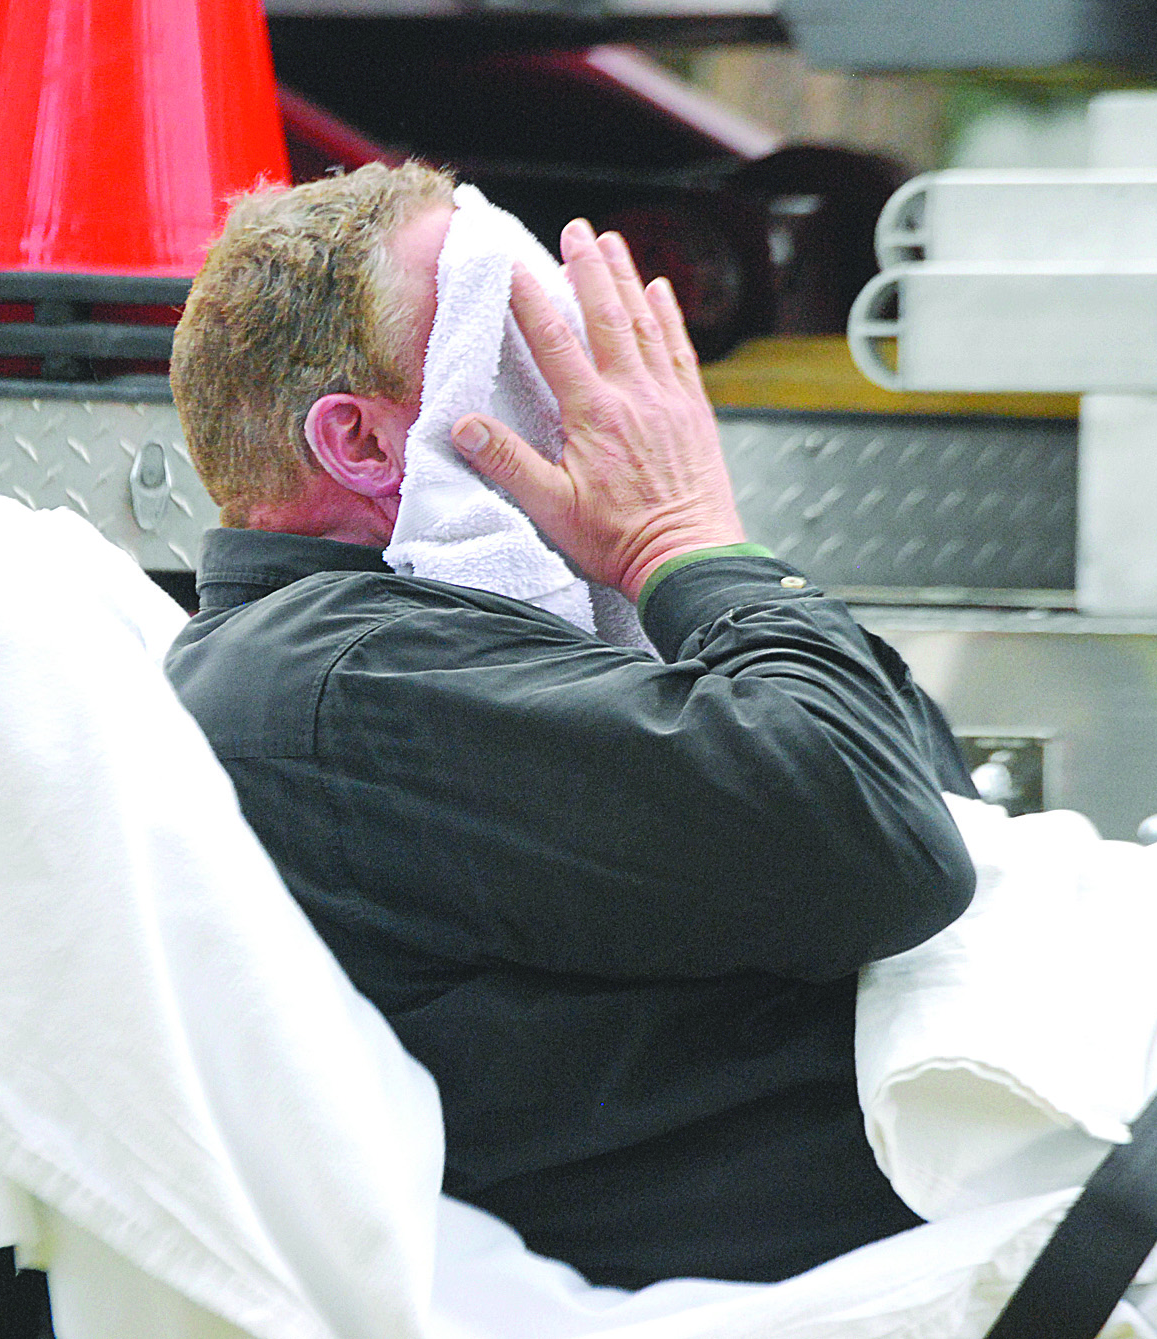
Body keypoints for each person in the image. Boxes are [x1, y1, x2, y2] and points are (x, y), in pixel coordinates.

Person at [163, 161, 979, 1289]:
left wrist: (682, 572)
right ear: (357, 444)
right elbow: (882, 842)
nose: (585, 404)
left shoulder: (377, 656)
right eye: (514, 349)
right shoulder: (341, 679)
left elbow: (939, 811)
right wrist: (682, 543)